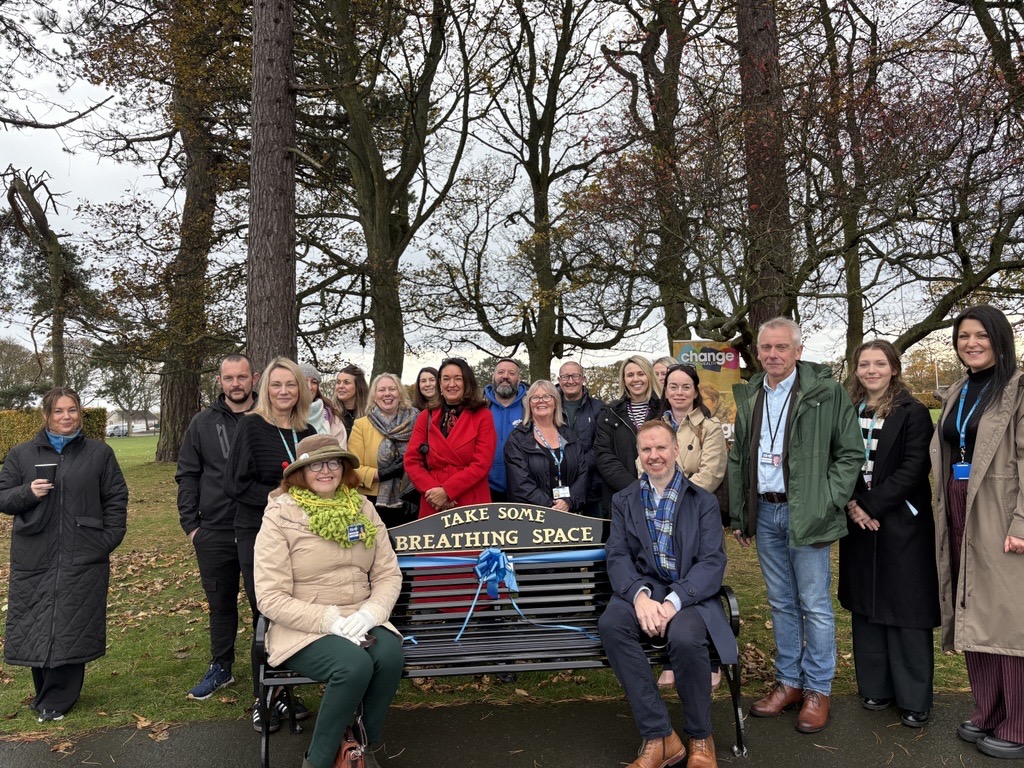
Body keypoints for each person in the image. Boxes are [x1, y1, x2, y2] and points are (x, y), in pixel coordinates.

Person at [728, 318, 862, 733]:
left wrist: (828, 501)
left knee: (815, 605)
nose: (772, 355)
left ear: (798, 351)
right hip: (766, 513)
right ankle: (789, 682)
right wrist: (740, 514)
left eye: (781, 347)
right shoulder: (751, 394)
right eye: (766, 348)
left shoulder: (827, 393)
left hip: (808, 513)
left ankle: (818, 688)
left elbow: (850, 454)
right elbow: (739, 459)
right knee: (781, 602)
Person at [255, 434, 403, 768]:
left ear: (343, 467)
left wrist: (371, 613)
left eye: (333, 462)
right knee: (353, 666)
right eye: (315, 464)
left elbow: (387, 574)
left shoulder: (362, 507)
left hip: (360, 617)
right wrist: (329, 621)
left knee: (391, 656)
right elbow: (269, 596)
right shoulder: (279, 516)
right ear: (300, 473)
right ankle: (318, 761)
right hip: (305, 624)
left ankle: (364, 745)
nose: (326, 470)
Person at [599, 421, 737, 768]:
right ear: (638, 455)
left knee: (687, 638)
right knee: (612, 624)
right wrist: (640, 597)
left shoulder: (702, 501)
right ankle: (659, 735)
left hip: (690, 594)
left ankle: (700, 735)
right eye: (646, 449)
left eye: (661, 448)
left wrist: (674, 600)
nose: (654, 456)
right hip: (644, 590)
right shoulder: (624, 500)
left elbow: (711, 561)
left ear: (676, 450)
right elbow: (616, 555)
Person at [0, 387, 128, 723]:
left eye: (72, 410)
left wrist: (107, 540)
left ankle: (58, 699)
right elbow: (3, 497)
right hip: (34, 553)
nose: (66, 417)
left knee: (72, 621)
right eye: (58, 411)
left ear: (80, 414)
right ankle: (45, 692)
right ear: (46, 416)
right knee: (38, 620)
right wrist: (27, 492)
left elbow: (116, 498)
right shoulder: (22, 455)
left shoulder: (99, 454)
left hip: (82, 552)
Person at [932, 305, 1024, 760]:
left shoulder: (1018, 388)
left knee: (1007, 615)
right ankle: (988, 708)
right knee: (970, 605)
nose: (971, 343)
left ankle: (1020, 719)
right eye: (963, 336)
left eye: (980, 335)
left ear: (999, 338)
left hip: (1000, 510)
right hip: (958, 503)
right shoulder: (960, 389)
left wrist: (1022, 522)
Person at [837, 340, 938, 728]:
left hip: (901, 522)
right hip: (858, 522)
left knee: (906, 609)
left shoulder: (913, 412)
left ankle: (914, 698)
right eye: (864, 364)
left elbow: (915, 467)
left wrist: (872, 504)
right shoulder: (847, 410)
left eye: (880, 363)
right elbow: (839, 460)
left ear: (894, 368)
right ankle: (875, 687)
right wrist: (853, 504)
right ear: (856, 369)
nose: (871, 370)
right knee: (866, 606)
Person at [225, 356, 317, 733]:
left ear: (301, 389)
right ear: (266, 389)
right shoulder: (251, 427)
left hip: (301, 535)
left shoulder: (307, 430)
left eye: (290, 385)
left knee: (296, 609)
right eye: (276, 385)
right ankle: (263, 698)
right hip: (259, 532)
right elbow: (235, 485)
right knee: (268, 612)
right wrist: (279, 497)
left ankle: (286, 692)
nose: (283, 392)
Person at [176, 354, 259, 701]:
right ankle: (221, 667)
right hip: (215, 531)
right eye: (229, 378)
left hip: (261, 529)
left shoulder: (267, 419)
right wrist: (191, 526)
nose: (236, 384)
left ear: (254, 378)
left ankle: (271, 674)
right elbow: (188, 475)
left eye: (242, 377)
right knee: (221, 605)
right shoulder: (202, 423)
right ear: (220, 380)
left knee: (265, 606)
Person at [656, 363, 728, 689]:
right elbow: (644, 465)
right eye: (674, 386)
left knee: (702, 585)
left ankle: (712, 659)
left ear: (696, 391)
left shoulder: (710, 427)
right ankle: (672, 659)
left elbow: (711, 474)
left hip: (697, 517)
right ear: (666, 390)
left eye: (686, 387)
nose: (680, 393)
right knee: (668, 585)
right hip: (660, 518)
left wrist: (676, 498)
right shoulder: (655, 426)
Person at [405, 358, 496, 516]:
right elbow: (412, 461)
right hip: (433, 500)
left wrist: (448, 491)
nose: (451, 384)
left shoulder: (483, 416)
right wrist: (434, 493)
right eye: (446, 379)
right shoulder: (425, 416)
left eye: (457, 379)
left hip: (470, 498)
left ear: (467, 382)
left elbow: (482, 463)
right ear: (440, 384)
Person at [348, 373, 420, 529]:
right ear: (374, 396)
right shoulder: (361, 425)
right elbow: (353, 469)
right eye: (381, 390)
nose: (387, 393)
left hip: (411, 498)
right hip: (373, 502)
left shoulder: (417, 420)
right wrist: (383, 473)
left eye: (392, 389)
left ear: (400, 394)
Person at [504, 380, 589, 512]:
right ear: (529, 404)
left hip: (570, 515)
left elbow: (583, 473)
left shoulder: (569, 436)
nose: (541, 401)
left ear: (556, 402)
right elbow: (520, 483)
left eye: (547, 396)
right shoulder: (517, 439)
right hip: (533, 518)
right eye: (535, 397)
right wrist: (551, 506)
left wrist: (568, 502)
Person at [595, 355, 663, 514]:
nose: (635, 379)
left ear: (649, 376)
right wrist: (635, 488)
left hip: (661, 496)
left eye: (641, 374)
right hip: (622, 497)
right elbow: (603, 455)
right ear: (624, 380)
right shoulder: (609, 413)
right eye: (630, 375)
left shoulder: (663, 410)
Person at [557, 361, 605, 515]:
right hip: (558, 488)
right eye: (566, 377)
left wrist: (577, 467)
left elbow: (601, 446)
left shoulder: (599, 408)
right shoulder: (550, 407)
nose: (570, 381)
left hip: (592, 487)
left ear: (583, 379)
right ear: (559, 380)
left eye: (575, 376)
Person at [484, 358, 528, 502]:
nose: (505, 376)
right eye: (500, 372)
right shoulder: (479, 406)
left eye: (511, 373)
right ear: (493, 377)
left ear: (519, 379)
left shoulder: (531, 406)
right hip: (486, 488)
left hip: (524, 489)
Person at [301, 363, 347, 442]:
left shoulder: (332, 417)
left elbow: (341, 451)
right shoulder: (285, 414)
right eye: (304, 381)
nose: (309, 387)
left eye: (314, 382)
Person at [334, 364, 369, 436]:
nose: (341, 386)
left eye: (346, 382)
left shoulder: (370, 414)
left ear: (358, 386)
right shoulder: (331, 413)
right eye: (338, 382)